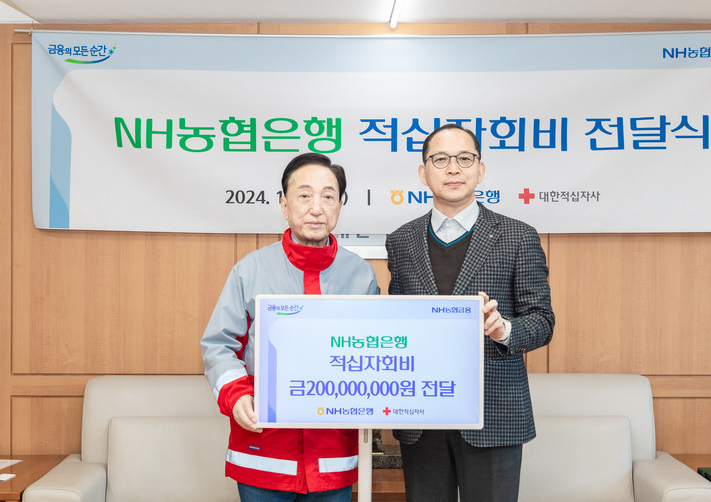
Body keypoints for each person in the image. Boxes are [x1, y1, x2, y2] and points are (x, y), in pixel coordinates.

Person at [385, 123, 555, 502]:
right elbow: (398, 323)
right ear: (423, 173)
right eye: (440, 160)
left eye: (465, 159)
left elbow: (542, 321)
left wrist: (502, 329)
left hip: (493, 414)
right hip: (422, 413)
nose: (453, 169)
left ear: (480, 170)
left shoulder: (517, 236)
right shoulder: (401, 240)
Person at [202, 153, 379, 502]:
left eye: (328, 196)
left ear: (340, 206)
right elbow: (219, 345)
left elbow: (371, 351)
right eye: (304, 195)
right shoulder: (251, 270)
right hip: (264, 451)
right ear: (284, 205)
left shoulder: (361, 275)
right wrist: (237, 395)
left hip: (332, 457)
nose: (317, 208)